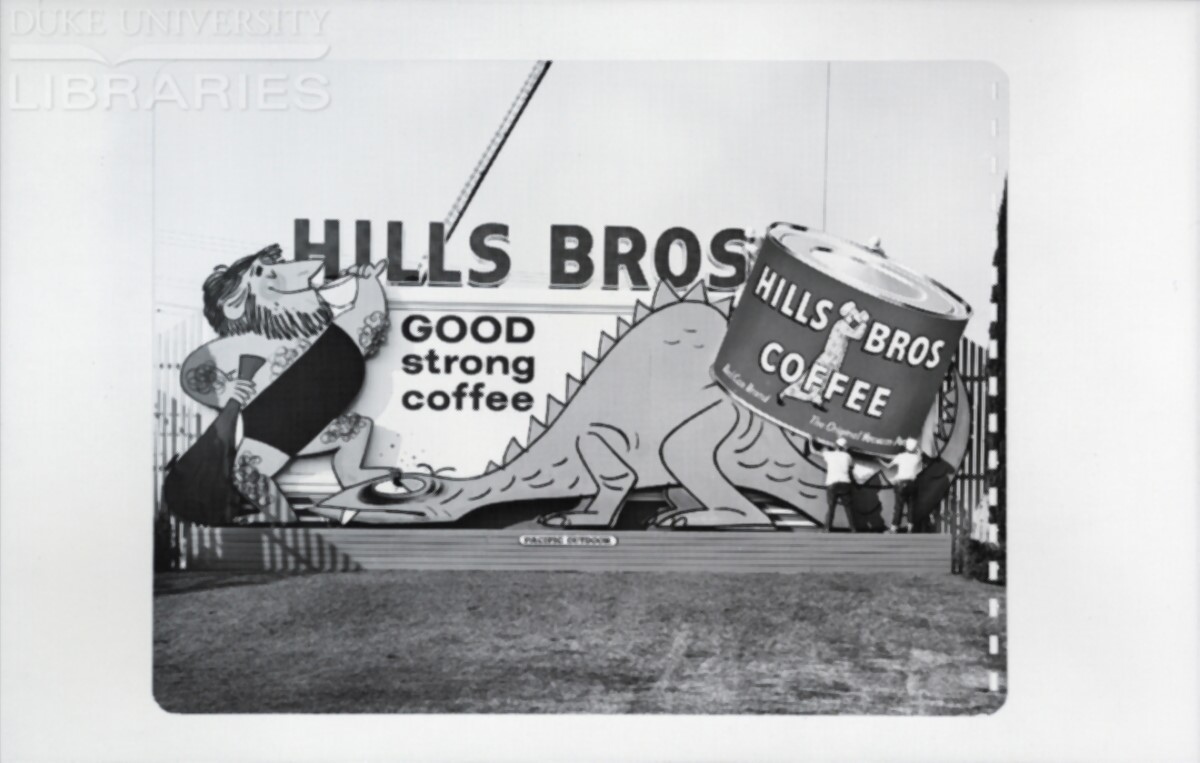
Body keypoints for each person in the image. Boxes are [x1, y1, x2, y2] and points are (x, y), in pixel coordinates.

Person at [778, 301, 871, 409]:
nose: (856, 317)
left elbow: (854, 327)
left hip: (834, 360)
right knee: (809, 380)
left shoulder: (845, 324)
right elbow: (857, 335)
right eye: (854, 315)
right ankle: (785, 393)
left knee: (824, 382)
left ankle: (816, 400)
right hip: (828, 359)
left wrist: (861, 321)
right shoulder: (841, 325)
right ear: (849, 315)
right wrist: (863, 323)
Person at [813, 437, 856, 532]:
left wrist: (810, 439)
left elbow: (813, 450)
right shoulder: (847, 456)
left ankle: (827, 528)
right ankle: (853, 528)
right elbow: (850, 468)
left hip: (832, 483)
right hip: (845, 482)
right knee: (848, 508)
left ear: (835, 445)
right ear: (844, 447)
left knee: (831, 507)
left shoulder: (829, 454)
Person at [885, 438, 925, 532]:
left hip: (901, 484)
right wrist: (909, 444)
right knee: (911, 506)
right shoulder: (917, 457)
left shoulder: (900, 456)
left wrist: (877, 460)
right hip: (912, 484)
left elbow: (888, 466)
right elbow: (919, 451)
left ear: (906, 447)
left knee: (899, 506)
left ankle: (894, 527)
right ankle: (910, 527)